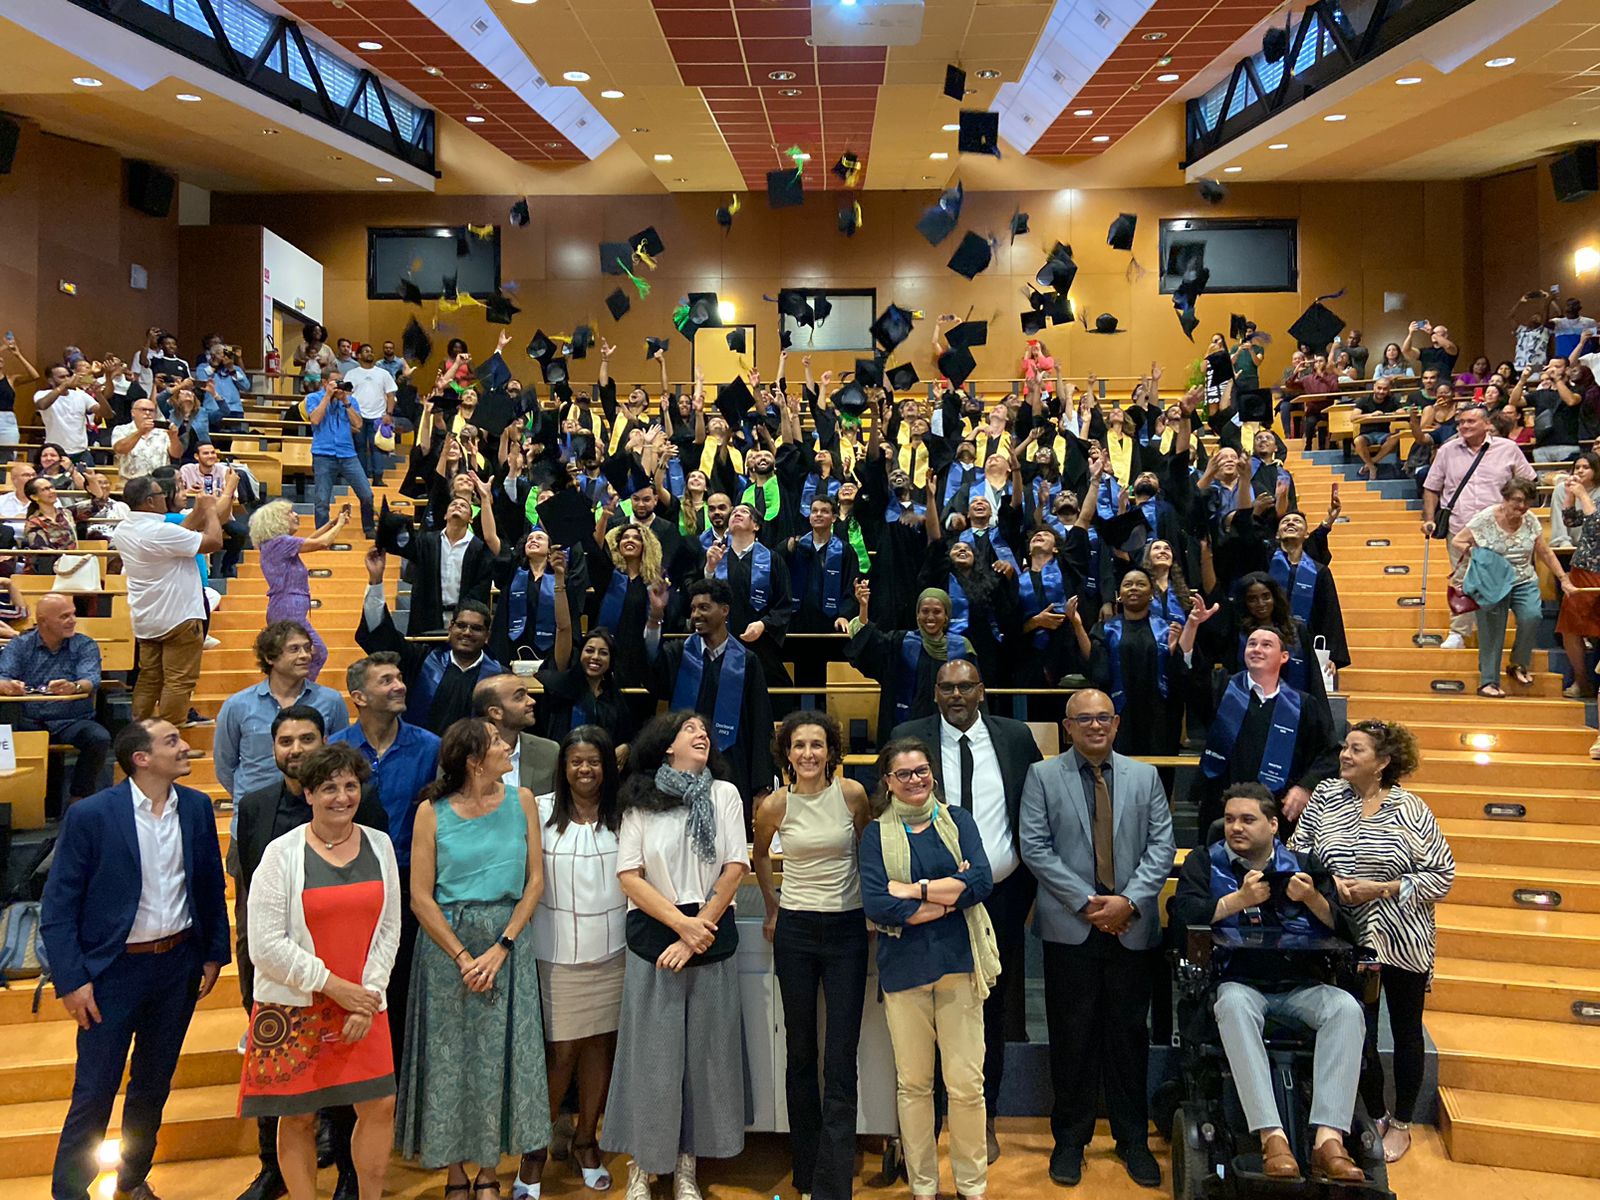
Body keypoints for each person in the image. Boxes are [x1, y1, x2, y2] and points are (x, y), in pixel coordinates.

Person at [40, 719, 230, 1200]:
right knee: (95, 1089)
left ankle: (133, 1176)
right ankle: (69, 1191)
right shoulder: (93, 816)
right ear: (141, 759)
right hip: (112, 972)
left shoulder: (197, 807)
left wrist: (213, 955)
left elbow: (208, 885)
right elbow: (58, 907)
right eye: (172, 741)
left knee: (153, 1082)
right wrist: (71, 981)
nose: (186, 746)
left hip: (177, 964)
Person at [1169, 784, 1367, 1185]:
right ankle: (1271, 1137)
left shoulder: (1306, 865)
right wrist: (1236, 902)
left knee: (1346, 1008)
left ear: (1273, 824)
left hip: (1300, 984)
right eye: (1228, 820)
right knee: (1234, 1005)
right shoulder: (1204, 864)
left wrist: (1313, 900)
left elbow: (1350, 931)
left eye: (1247, 819)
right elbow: (1182, 919)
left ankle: (1328, 1141)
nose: (1235, 828)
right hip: (1237, 982)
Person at [1019, 687, 1174, 1189]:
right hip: (1072, 926)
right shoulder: (1042, 776)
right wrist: (1090, 904)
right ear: (1067, 727)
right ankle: (1070, 1139)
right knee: (1072, 1036)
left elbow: (1162, 846)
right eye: (1083, 719)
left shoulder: (1145, 776)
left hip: (1132, 925)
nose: (1094, 726)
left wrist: (1127, 901)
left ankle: (1132, 1139)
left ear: (1117, 722)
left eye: (1102, 717)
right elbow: (1036, 848)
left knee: (1129, 1037)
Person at [232, 706, 389, 1200]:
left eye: (350, 787)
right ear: (309, 794)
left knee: (379, 1105)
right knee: (297, 1115)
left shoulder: (380, 844)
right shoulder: (280, 853)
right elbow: (265, 945)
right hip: (295, 999)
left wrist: (370, 994)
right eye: (329, 789)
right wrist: (334, 987)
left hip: (364, 1001)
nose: (342, 798)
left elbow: (390, 929)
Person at [889, 659, 1041, 1161]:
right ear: (934, 693)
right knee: (926, 1006)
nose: (956, 694)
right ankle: (925, 1122)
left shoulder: (1015, 737)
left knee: (989, 1010)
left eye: (966, 686)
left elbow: (1034, 810)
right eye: (946, 687)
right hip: (928, 896)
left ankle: (985, 1115)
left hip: (1000, 895)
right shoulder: (911, 735)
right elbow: (884, 805)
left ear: (982, 690)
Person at [601, 711, 750, 1200]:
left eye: (705, 728)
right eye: (690, 729)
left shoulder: (724, 794)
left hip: (708, 935)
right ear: (667, 746)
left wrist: (696, 930)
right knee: (653, 1060)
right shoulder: (640, 803)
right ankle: (643, 1165)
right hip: (656, 934)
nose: (702, 733)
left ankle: (686, 1164)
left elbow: (734, 866)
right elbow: (630, 875)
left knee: (703, 1062)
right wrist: (680, 926)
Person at [399, 719, 549, 1200]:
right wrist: (464, 956)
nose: (507, 747)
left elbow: (535, 883)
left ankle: (489, 1170)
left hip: (507, 944)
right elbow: (420, 896)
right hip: (447, 950)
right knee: (451, 1063)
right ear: (473, 760)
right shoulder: (431, 811)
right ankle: (455, 1173)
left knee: (499, 1059)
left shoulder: (521, 800)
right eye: (497, 744)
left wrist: (501, 947)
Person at [1291, 721, 1454, 1165]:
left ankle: (1402, 1122)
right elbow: (1297, 851)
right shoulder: (1324, 797)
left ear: (1382, 762)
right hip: (1345, 938)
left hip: (1404, 938)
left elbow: (1443, 876)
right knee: (1355, 1034)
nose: (1344, 755)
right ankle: (1375, 1112)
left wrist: (1381, 888)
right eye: (1344, 747)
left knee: (1405, 1032)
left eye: (1356, 749)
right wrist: (1330, 882)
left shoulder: (1412, 809)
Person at [859, 736, 995, 1200]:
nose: (915, 780)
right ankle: (923, 1186)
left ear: (932, 774)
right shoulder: (876, 834)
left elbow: (980, 881)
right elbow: (877, 903)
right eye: (904, 774)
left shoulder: (958, 820)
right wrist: (945, 896)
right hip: (904, 973)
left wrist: (913, 890)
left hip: (960, 966)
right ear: (888, 783)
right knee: (914, 1086)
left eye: (922, 771)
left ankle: (972, 1187)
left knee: (966, 1086)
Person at [752, 712, 871, 1200]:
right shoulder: (774, 806)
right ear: (787, 752)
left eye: (817, 745)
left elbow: (870, 850)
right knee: (801, 1053)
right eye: (799, 745)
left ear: (831, 752)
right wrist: (772, 906)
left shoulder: (853, 796)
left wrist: (872, 904)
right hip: (796, 932)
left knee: (840, 1055)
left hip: (847, 930)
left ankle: (833, 1181)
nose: (808, 754)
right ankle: (805, 1170)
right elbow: (760, 855)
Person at [329, 652, 443, 1063]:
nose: (399, 686)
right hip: (351, 881)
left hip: (412, 882)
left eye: (399, 677)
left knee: (402, 989)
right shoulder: (336, 748)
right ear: (358, 696)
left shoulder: (430, 746)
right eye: (386, 680)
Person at [532, 726, 628, 1192]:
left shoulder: (624, 813)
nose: (585, 770)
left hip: (614, 951)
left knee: (600, 1049)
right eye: (576, 762)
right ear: (563, 766)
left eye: (594, 761)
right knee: (561, 1054)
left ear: (607, 766)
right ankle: (535, 1150)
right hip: (557, 953)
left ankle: (588, 1139)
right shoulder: (539, 809)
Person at [1192, 623, 1341, 837]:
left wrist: (1305, 787)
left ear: (1284, 657)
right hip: (1221, 806)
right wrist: (1191, 628)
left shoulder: (1303, 705)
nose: (1257, 649)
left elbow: (1329, 754)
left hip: (1279, 811)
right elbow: (1190, 680)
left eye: (1266, 644)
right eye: (1251, 644)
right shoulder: (1223, 689)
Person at [645, 577, 774, 814]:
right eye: (693, 609)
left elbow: (760, 723)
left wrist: (761, 786)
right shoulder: (679, 654)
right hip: (683, 770)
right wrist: (655, 618)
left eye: (704, 607)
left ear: (724, 610)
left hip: (734, 766)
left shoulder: (746, 662)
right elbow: (650, 673)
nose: (696, 615)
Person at [1421, 404, 1536, 649]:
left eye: (1470, 422)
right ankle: (1458, 633)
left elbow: (1528, 482)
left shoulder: (1508, 449)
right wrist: (1429, 518)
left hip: (1500, 528)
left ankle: (1492, 632)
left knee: (1497, 580)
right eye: (1461, 422)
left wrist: (1518, 511)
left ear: (1486, 424)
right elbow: (1432, 487)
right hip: (1461, 526)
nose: (1464, 426)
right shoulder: (1447, 451)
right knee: (1461, 579)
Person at [113, 476, 223, 726]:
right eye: (162, 493)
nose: (167, 496)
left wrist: (196, 512)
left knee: (149, 677)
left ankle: (139, 731)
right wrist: (209, 511)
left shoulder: (125, 529)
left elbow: (178, 534)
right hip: (178, 615)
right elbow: (214, 542)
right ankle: (173, 735)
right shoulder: (158, 532)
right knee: (179, 679)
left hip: (146, 616)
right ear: (150, 501)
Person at [357, 548, 504, 735]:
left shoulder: (498, 675)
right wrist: (376, 581)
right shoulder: (421, 659)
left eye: (476, 628)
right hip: (423, 755)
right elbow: (381, 636)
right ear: (450, 628)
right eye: (461, 625)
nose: (467, 632)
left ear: (487, 635)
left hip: (477, 757)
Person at [1452, 477, 1575, 696]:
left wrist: (1563, 578)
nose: (1522, 506)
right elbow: (1458, 541)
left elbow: (1544, 551)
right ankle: (1488, 681)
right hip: (1492, 582)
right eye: (1517, 500)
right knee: (1492, 631)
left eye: (1527, 501)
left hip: (1523, 579)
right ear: (1505, 499)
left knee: (1532, 616)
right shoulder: (1486, 518)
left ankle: (1518, 663)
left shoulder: (1530, 520)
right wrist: (1481, 556)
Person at [214, 621, 352, 807]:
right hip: (256, 813)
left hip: (313, 811)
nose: (305, 656)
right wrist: (251, 800)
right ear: (270, 658)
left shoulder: (331, 701)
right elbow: (225, 765)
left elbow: (341, 757)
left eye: (307, 648)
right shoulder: (237, 705)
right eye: (294, 649)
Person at [0, 592, 106, 807]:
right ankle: (19, 805)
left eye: (73, 614)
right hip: (28, 719)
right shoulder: (20, 645)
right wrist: (6, 686)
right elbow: (3, 675)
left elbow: (91, 679)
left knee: (98, 737)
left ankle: (79, 799)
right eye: (64, 616)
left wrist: (74, 686)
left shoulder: (85, 645)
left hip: (71, 719)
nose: (72, 620)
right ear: (43, 622)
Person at [846, 583, 975, 739]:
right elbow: (871, 646)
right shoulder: (901, 642)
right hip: (907, 727)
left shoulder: (961, 648)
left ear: (946, 616)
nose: (930, 617)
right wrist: (863, 608)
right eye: (925, 611)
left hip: (950, 730)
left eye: (937, 612)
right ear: (917, 615)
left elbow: (973, 693)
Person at [392, 479, 501, 635]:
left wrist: (461, 614)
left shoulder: (479, 548)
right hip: (427, 619)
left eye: (464, 506)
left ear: (470, 519)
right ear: (445, 515)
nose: (458, 506)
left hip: (465, 621)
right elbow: (401, 547)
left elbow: (480, 587)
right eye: (453, 505)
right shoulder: (425, 541)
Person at [308, 374, 377, 537]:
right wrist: (327, 396)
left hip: (348, 454)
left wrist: (345, 401)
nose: (339, 386)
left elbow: (358, 424)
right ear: (325, 382)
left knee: (367, 494)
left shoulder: (350, 401)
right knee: (322, 501)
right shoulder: (313, 398)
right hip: (323, 454)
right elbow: (315, 420)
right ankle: (322, 536)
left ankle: (369, 529)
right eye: (335, 382)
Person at [472, 672, 560, 795]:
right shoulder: (464, 755)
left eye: (527, 694)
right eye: (519, 697)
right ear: (496, 712)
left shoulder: (550, 751)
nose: (532, 701)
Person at [34, 359, 116, 469]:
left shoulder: (80, 395)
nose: (67, 379)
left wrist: (99, 394)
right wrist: (63, 386)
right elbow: (42, 405)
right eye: (62, 377)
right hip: (55, 452)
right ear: (50, 380)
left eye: (68, 376)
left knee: (88, 483)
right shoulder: (42, 394)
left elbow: (108, 414)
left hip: (81, 452)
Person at [344, 342, 399, 484]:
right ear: (359, 355)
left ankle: (378, 478)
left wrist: (389, 414)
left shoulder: (383, 374)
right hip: (358, 417)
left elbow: (391, 395)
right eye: (366, 351)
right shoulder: (351, 374)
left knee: (377, 447)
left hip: (379, 416)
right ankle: (362, 478)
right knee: (360, 447)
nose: (370, 353)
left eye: (371, 351)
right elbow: (347, 395)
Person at [112, 395, 182, 480]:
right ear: (133, 412)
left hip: (160, 482)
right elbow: (120, 449)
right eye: (143, 410)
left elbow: (177, 454)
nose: (148, 413)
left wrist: (173, 437)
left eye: (151, 410)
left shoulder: (163, 432)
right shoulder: (121, 429)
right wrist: (140, 432)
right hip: (131, 481)